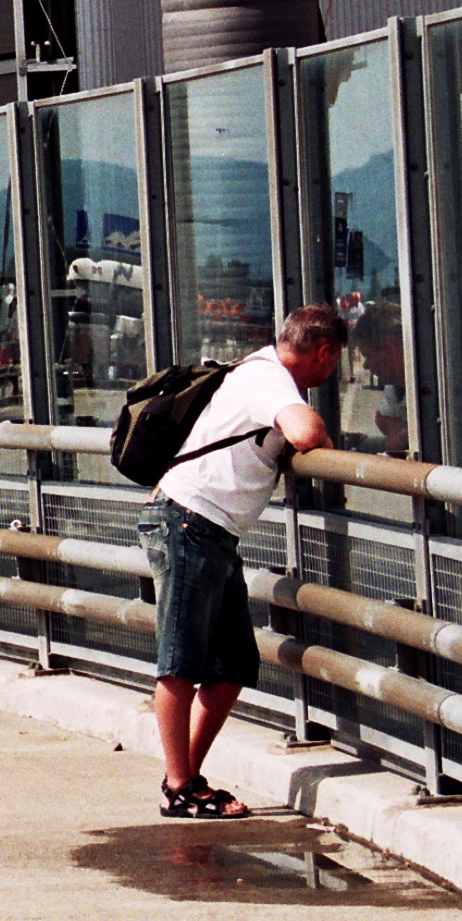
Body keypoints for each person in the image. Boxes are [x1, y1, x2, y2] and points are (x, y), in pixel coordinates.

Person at [138, 304, 344, 820]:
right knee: (181, 661)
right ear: (324, 352)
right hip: (187, 521)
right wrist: (326, 440)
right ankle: (180, 786)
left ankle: (182, 779)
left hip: (211, 530)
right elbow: (304, 433)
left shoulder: (258, 371)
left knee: (232, 665)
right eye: (335, 361)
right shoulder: (269, 380)